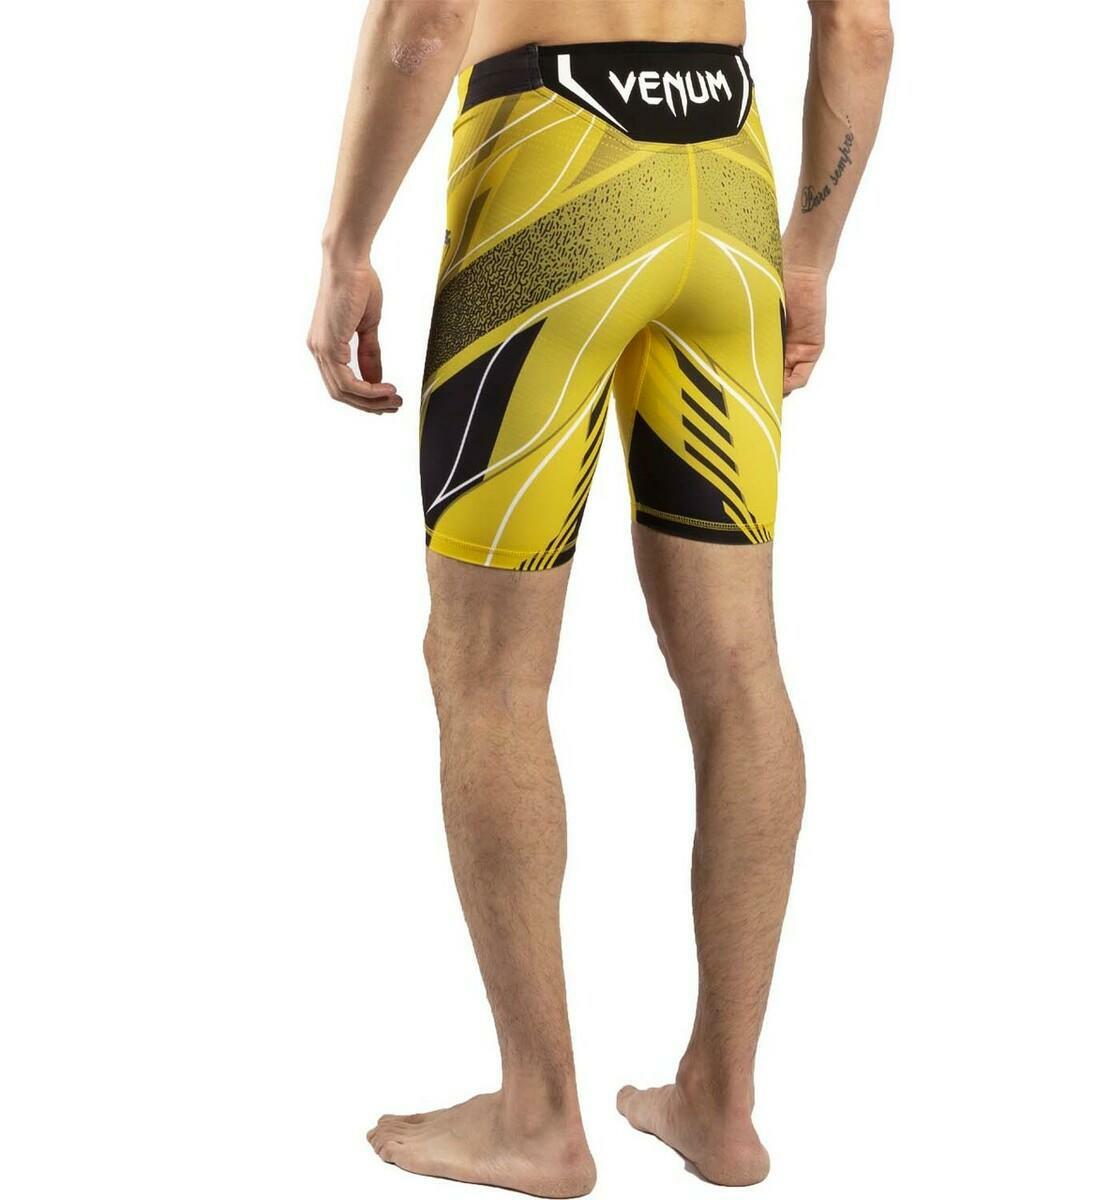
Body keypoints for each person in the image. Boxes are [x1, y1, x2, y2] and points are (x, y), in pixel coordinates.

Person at [308, 1, 892, 1194]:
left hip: (553, 171)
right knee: (739, 665)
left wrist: (345, 246)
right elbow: (862, 27)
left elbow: (429, 19)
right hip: (726, 180)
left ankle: (538, 1117)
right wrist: (813, 253)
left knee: (489, 667)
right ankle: (722, 1104)